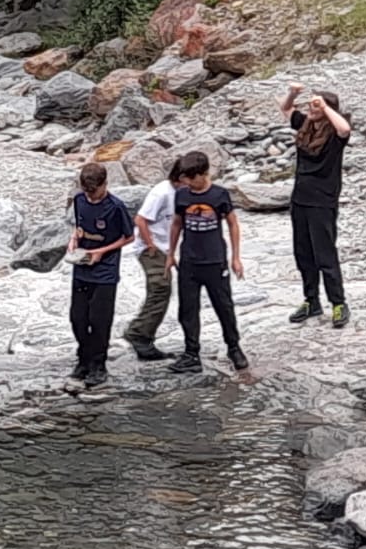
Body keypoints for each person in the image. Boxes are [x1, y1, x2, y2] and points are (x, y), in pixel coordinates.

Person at [167, 151, 249, 374]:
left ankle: (234, 347)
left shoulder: (219, 195)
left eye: (190, 178)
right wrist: (170, 253)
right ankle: (191, 353)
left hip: (214, 260)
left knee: (224, 306)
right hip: (189, 261)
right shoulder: (182, 196)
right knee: (188, 309)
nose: (186, 182)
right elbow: (177, 223)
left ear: (203, 174)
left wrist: (235, 257)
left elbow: (232, 223)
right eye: (184, 178)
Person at [283, 83, 354, 328]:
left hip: (322, 201)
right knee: (303, 253)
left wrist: (324, 106)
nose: (311, 109)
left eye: (316, 106)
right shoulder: (306, 126)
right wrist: (293, 93)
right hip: (300, 199)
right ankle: (311, 300)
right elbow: (286, 110)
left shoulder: (334, 134)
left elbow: (345, 129)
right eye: (311, 105)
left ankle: (338, 303)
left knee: (325, 254)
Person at [65, 163, 134, 388]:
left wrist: (101, 251)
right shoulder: (79, 200)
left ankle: (98, 364)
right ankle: (83, 357)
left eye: (94, 192)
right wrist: (74, 239)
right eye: (87, 192)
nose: (91, 197)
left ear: (105, 184)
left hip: (105, 271)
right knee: (78, 318)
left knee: (99, 320)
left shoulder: (116, 207)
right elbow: (79, 227)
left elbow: (129, 237)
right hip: (82, 267)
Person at [122, 160, 182, 362]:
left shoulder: (180, 192)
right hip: (151, 247)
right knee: (160, 287)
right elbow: (140, 219)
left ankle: (142, 333)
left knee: (162, 289)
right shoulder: (161, 192)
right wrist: (150, 245)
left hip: (165, 247)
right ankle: (139, 333)